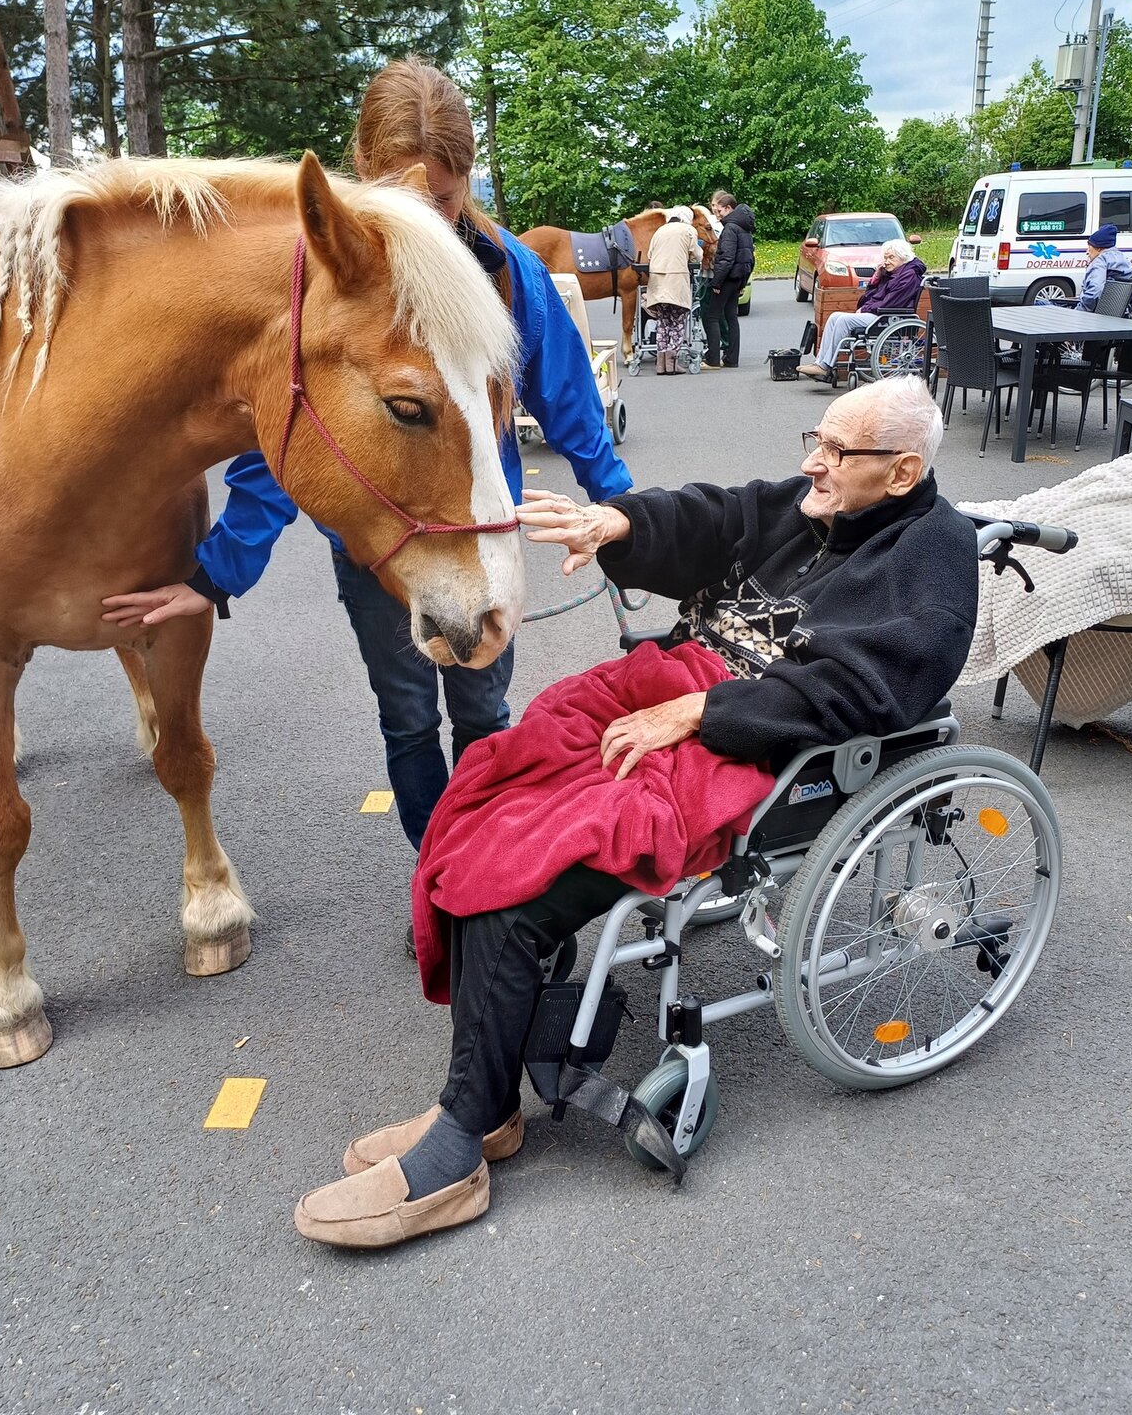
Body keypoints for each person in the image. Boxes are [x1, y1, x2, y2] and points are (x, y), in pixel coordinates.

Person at [291, 376, 979, 1250]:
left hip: (748, 742)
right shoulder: (818, 503)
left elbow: (869, 688)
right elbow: (719, 516)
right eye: (818, 438)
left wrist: (703, 712)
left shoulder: (935, 559)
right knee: (484, 793)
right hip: (679, 687)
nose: (814, 461)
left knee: (520, 872)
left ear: (903, 471)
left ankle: (462, 1144)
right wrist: (617, 522)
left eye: (838, 451)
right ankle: (487, 1104)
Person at [101, 57, 633, 884]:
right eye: (399, 196)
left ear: (468, 180)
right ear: (362, 169)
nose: (426, 218)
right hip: (377, 552)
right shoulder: (329, 284)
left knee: (485, 713)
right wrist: (215, 575)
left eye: (443, 199)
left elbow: (569, 400)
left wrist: (631, 517)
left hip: (475, 536)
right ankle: (441, 877)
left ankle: (486, 872)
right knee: (408, 719)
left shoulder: (502, 270)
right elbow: (282, 445)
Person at [801, 238, 927, 382]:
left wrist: (865, 309)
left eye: (891, 257)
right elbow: (870, 296)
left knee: (844, 321)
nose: (886, 261)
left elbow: (890, 303)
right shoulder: (893, 273)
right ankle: (820, 363)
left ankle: (825, 366)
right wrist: (877, 277)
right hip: (880, 313)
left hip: (888, 317)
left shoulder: (908, 276)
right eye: (885, 258)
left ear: (903, 257)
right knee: (834, 316)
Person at [643, 205, 701, 375]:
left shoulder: (659, 231)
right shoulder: (688, 230)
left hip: (657, 281)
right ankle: (672, 362)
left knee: (662, 321)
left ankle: (661, 364)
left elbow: (650, 255)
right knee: (677, 321)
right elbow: (696, 255)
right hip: (676, 280)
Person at [702, 190, 754, 369]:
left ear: (729, 208)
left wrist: (716, 282)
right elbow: (750, 258)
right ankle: (732, 359)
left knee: (712, 316)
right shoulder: (744, 227)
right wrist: (742, 282)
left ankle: (713, 359)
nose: (717, 215)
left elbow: (727, 258)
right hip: (738, 278)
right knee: (731, 316)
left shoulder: (730, 228)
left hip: (727, 278)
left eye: (720, 211)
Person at [1075, 223, 1132, 311]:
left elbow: (1095, 291)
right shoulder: (1126, 262)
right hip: (1118, 315)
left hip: (1092, 316)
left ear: (1099, 248)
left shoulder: (1100, 261)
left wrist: (1079, 311)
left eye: (1089, 247)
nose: (1087, 252)